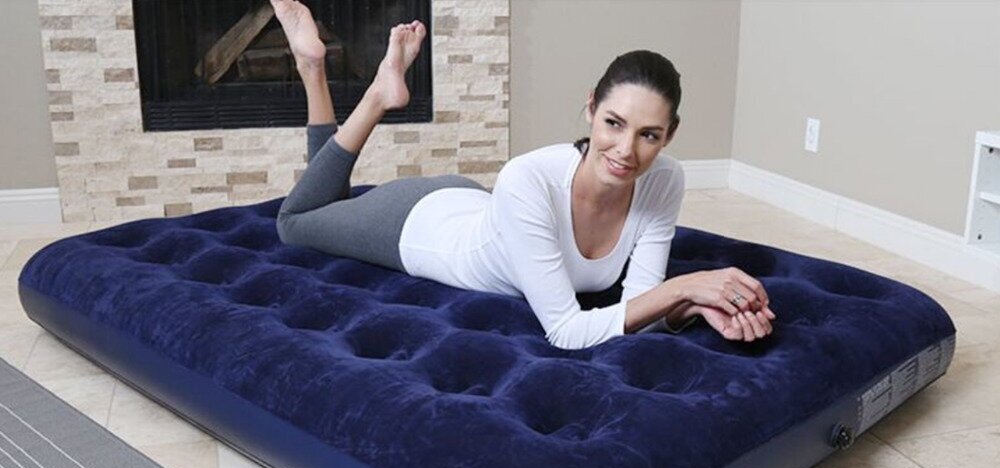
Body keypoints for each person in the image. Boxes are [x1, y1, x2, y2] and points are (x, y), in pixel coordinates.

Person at [270, 0, 776, 350]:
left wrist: (695, 306)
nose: (626, 151)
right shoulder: (530, 175)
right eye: (613, 123)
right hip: (415, 226)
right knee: (297, 221)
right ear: (590, 108)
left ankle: (315, 66)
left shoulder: (665, 180)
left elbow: (641, 305)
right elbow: (566, 332)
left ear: (670, 135)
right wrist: (686, 285)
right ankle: (353, 84)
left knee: (328, 203)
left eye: (649, 134)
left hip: (475, 205)